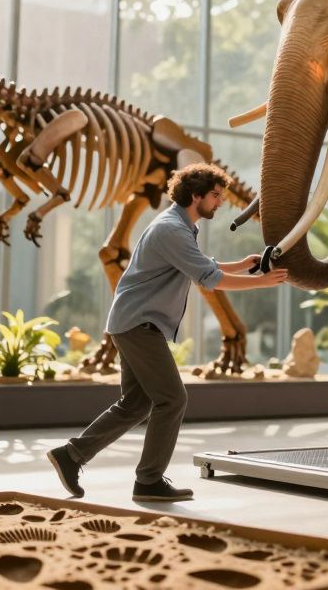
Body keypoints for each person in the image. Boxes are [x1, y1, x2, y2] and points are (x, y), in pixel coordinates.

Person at [48, 163, 287, 502]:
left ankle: (70, 456)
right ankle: (148, 481)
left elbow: (201, 265)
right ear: (196, 195)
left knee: (135, 404)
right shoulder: (172, 229)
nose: (220, 202)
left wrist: (242, 265)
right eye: (215, 195)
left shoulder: (179, 226)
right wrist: (262, 282)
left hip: (132, 323)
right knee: (173, 399)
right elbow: (210, 279)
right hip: (138, 325)